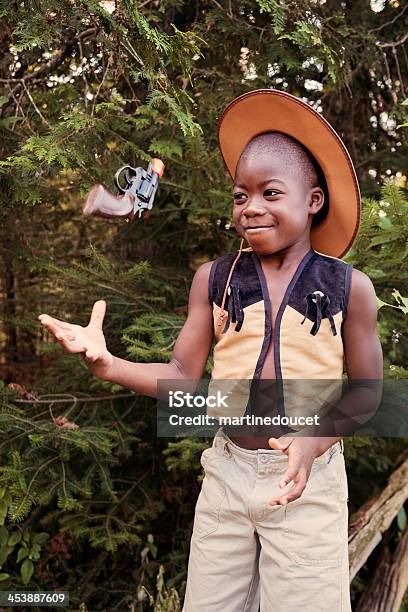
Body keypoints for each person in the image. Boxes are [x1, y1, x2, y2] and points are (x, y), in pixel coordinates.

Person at [38, 89, 383, 611]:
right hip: (227, 473)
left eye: (270, 193)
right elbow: (181, 373)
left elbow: (367, 393)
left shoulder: (347, 288)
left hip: (307, 485)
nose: (251, 208)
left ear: (313, 201)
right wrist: (108, 364)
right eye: (240, 196)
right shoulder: (215, 279)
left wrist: (314, 441)